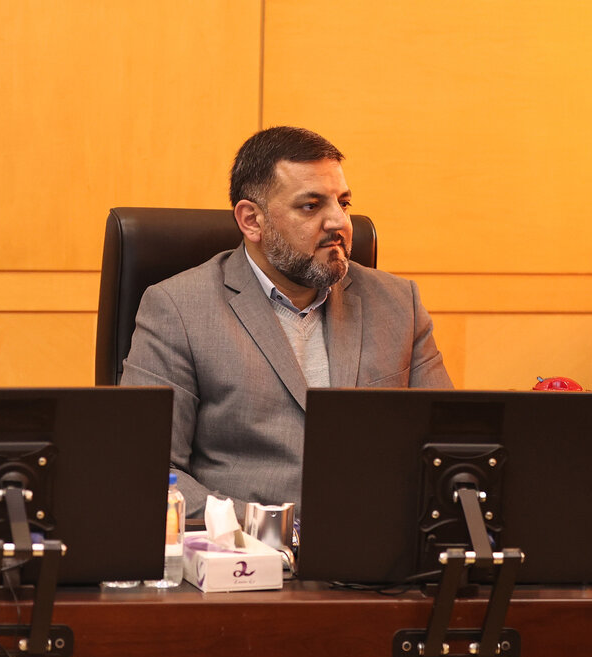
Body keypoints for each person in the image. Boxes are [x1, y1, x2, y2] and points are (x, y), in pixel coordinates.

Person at [121, 126, 452, 517]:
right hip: (244, 547)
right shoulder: (179, 309)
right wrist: (271, 527)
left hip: (373, 542)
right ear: (252, 221)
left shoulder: (397, 303)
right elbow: (149, 469)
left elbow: (445, 451)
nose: (339, 222)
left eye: (343, 203)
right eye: (311, 206)